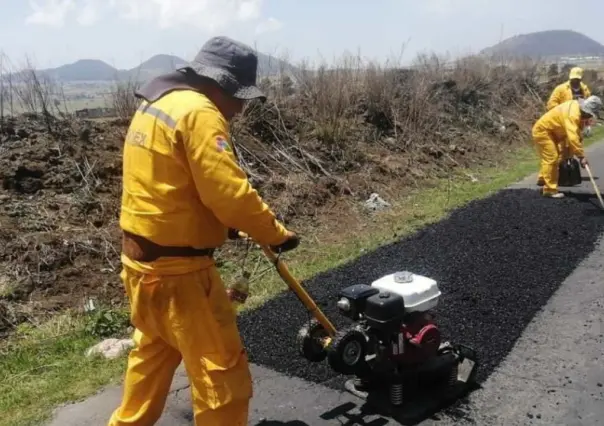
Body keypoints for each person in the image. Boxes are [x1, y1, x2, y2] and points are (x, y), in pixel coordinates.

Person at [108, 36, 300, 426]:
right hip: (183, 278)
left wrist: (217, 227)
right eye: (241, 98)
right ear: (223, 85)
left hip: (141, 268)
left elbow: (166, 186)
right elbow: (230, 193)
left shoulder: (158, 104)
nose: (242, 109)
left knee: (152, 360)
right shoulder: (200, 112)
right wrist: (276, 233)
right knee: (222, 376)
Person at [532, 95, 602, 198]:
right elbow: (572, 137)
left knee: (558, 156)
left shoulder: (577, 109)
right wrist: (581, 156)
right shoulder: (573, 114)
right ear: (585, 110)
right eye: (588, 114)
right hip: (543, 131)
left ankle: (543, 178)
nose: (588, 117)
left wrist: (575, 150)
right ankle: (549, 190)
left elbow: (576, 134)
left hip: (554, 132)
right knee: (552, 157)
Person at [546, 67, 593, 159]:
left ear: (581, 79)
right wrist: (562, 112)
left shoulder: (585, 91)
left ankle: (570, 167)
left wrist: (588, 125)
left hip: (578, 123)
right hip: (562, 123)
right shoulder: (560, 89)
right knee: (561, 148)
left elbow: (588, 110)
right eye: (573, 79)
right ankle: (560, 168)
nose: (574, 81)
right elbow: (551, 104)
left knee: (574, 143)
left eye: (577, 79)